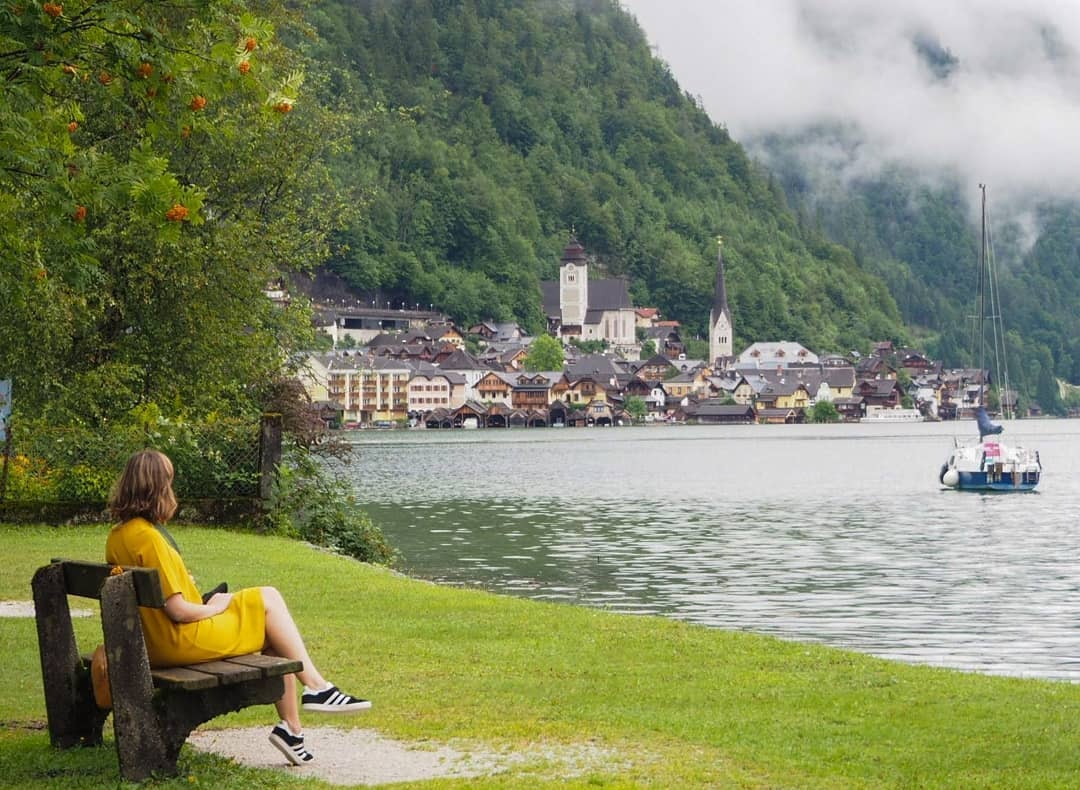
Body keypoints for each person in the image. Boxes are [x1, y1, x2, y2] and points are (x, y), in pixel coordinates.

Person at [106, 448, 369, 766]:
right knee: (269, 599)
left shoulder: (119, 536)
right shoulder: (150, 539)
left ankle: (293, 731)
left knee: (271, 625)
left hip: (153, 642)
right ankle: (316, 686)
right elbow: (179, 611)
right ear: (159, 488)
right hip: (179, 642)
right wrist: (215, 607)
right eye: (170, 483)